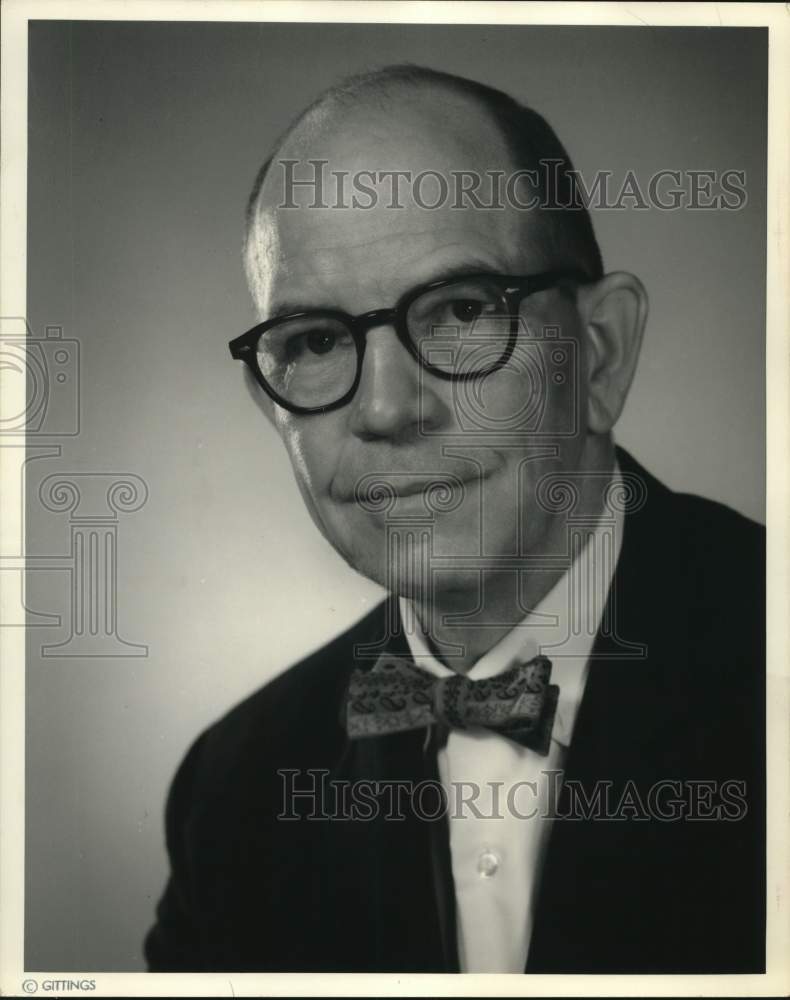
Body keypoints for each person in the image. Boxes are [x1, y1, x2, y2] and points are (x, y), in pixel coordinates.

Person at [144, 65, 765, 974]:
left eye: (462, 311)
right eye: (317, 340)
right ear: (271, 402)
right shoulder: (231, 795)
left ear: (599, 353)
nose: (390, 410)